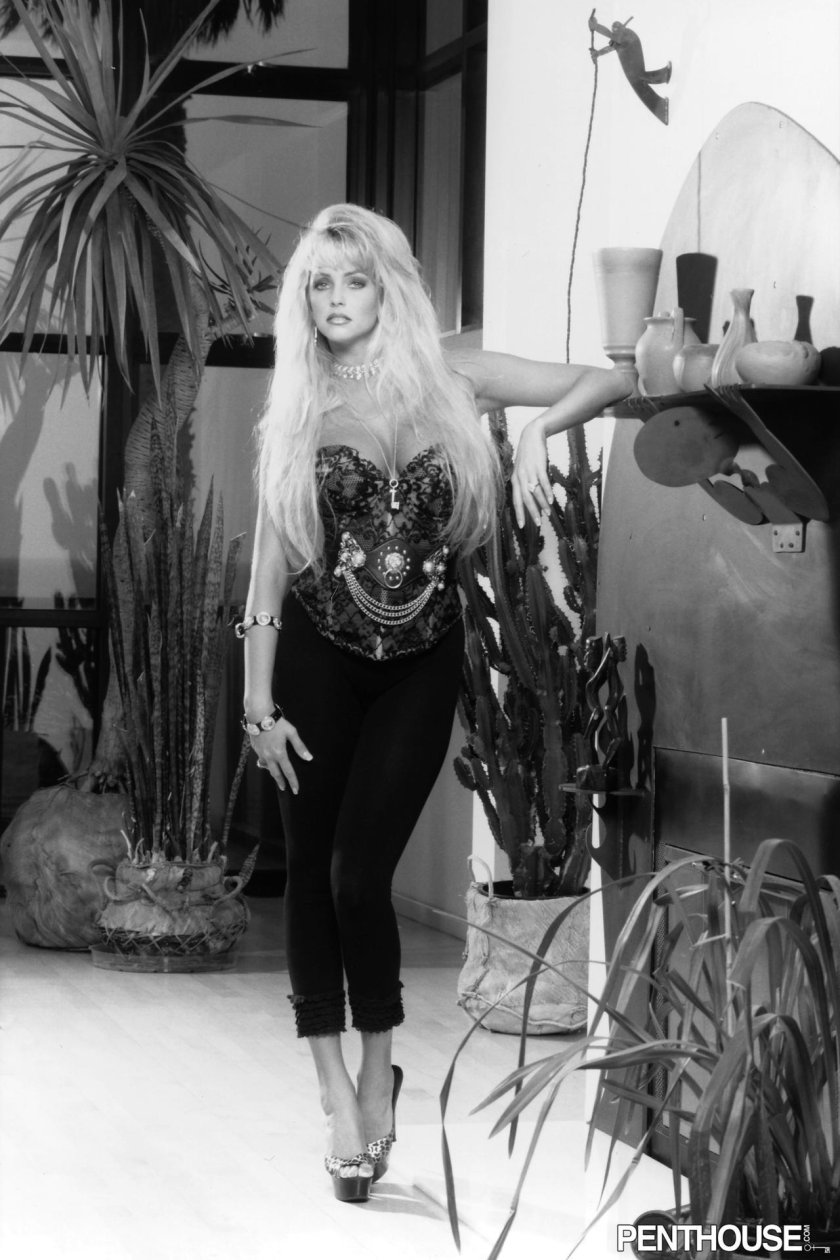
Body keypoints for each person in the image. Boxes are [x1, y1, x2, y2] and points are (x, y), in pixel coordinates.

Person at [239, 203, 631, 1203]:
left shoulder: (457, 379)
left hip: (422, 657)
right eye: (318, 285)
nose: (334, 300)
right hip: (315, 658)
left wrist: (541, 429)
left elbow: (610, 378)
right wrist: (257, 702)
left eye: (353, 280)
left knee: (358, 873)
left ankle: (382, 1067)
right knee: (313, 872)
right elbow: (270, 569)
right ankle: (337, 1090)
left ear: (390, 286)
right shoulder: (298, 405)